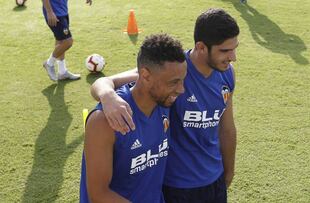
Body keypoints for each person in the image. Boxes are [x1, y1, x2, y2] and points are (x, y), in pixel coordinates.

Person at [91, 8, 239, 203]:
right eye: (225, 51)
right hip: (177, 186)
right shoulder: (172, 71)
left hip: (214, 180)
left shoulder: (225, 73)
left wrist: (228, 173)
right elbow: (107, 82)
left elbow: (227, 128)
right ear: (202, 47)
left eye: (235, 48)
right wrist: (107, 95)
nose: (233, 57)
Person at [79, 34, 187, 203]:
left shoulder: (162, 100)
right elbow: (99, 195)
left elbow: (104, 81)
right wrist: (106, 93)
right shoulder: (105, 121)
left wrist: (104, 90)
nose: (181, 90)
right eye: (173, 82)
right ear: (145, 76)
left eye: (182, 81)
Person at [42, 0, 91, 81]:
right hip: (54, 14)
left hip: (62, 11)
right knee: (68, 41)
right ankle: (49, 63)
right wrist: (50, 12)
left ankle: (62, 72)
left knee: (60, 40)